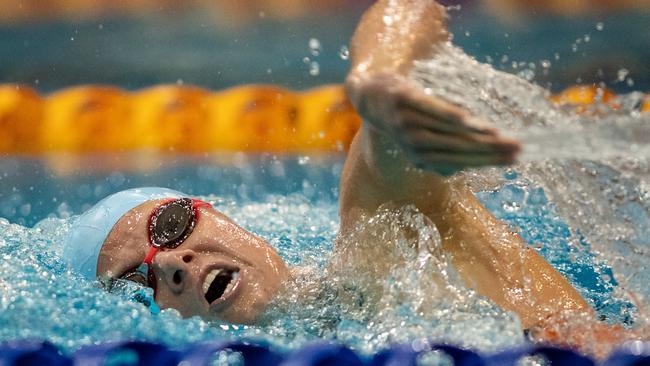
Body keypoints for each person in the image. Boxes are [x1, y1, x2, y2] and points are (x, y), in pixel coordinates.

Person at [62, 0, 642, 355]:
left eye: (170, 226)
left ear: (215, 211)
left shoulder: (380, 242)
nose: (168, 263)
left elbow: (408, 11)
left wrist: (376, 81)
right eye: (135, 285)